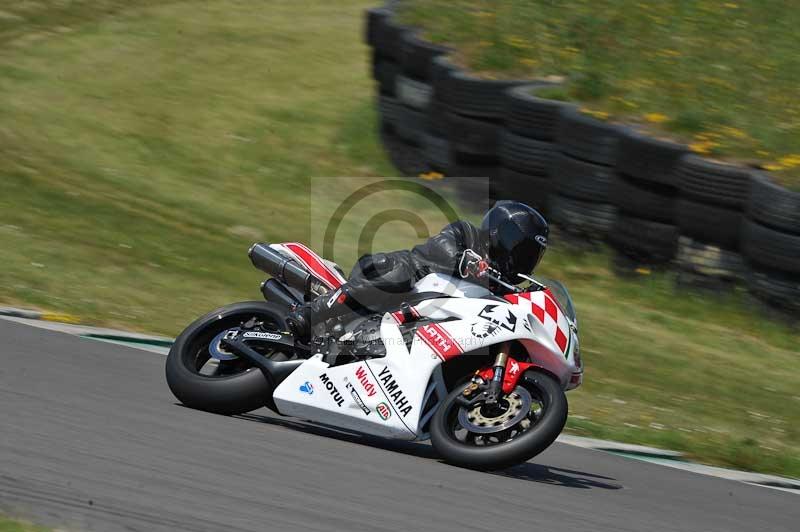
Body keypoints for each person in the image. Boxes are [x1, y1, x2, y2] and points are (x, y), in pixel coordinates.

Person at [286, 201, 549, 340]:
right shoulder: (467, 234)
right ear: (502, 234)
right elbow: (441, 246)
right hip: (402, 277)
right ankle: (314, 312)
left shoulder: (503, 283)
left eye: (531, 256)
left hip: (428, 319)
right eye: (523, 251)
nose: (525, 260)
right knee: (399, 275)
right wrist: (468, 262)